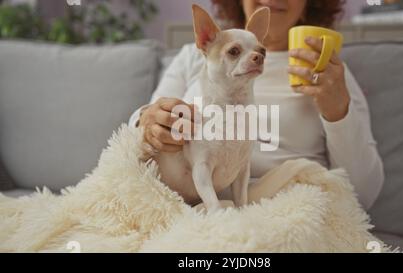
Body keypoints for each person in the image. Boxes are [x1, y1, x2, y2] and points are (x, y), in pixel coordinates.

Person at [129, 0, 384, 210]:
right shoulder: (195, 57)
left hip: (290, 210)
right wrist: (148, 121)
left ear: (310, 4)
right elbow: (135, 139)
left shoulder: (328, 73)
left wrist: (339, 113)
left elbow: (363, 193)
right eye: (234, 52)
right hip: (195, 206)